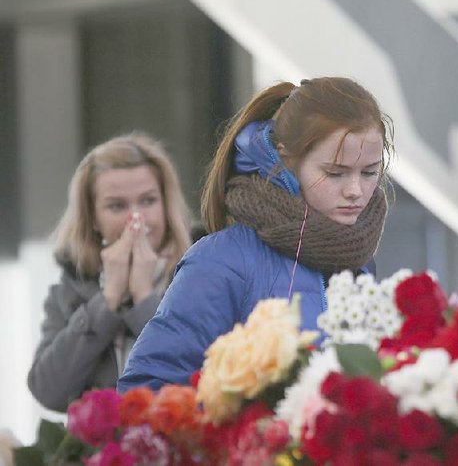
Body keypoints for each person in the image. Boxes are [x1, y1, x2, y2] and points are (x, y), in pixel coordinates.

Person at [118, 77, 393, 392]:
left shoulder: (359, 261)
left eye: (370, 172)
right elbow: (146, 390)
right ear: (284, 161)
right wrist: (246, 427)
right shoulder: (219, 260)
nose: (356, 191)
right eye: (334, 173)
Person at [27, 133, 193, 411]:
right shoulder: (69, 288)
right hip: (101, 451)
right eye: (117, 206)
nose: (136, 219)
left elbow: (199, 376)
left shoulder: (199, 275)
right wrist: (108, 300)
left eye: (148, 201)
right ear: (92, 218)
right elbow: (47, 391)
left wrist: (144, 300)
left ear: (166, 206)